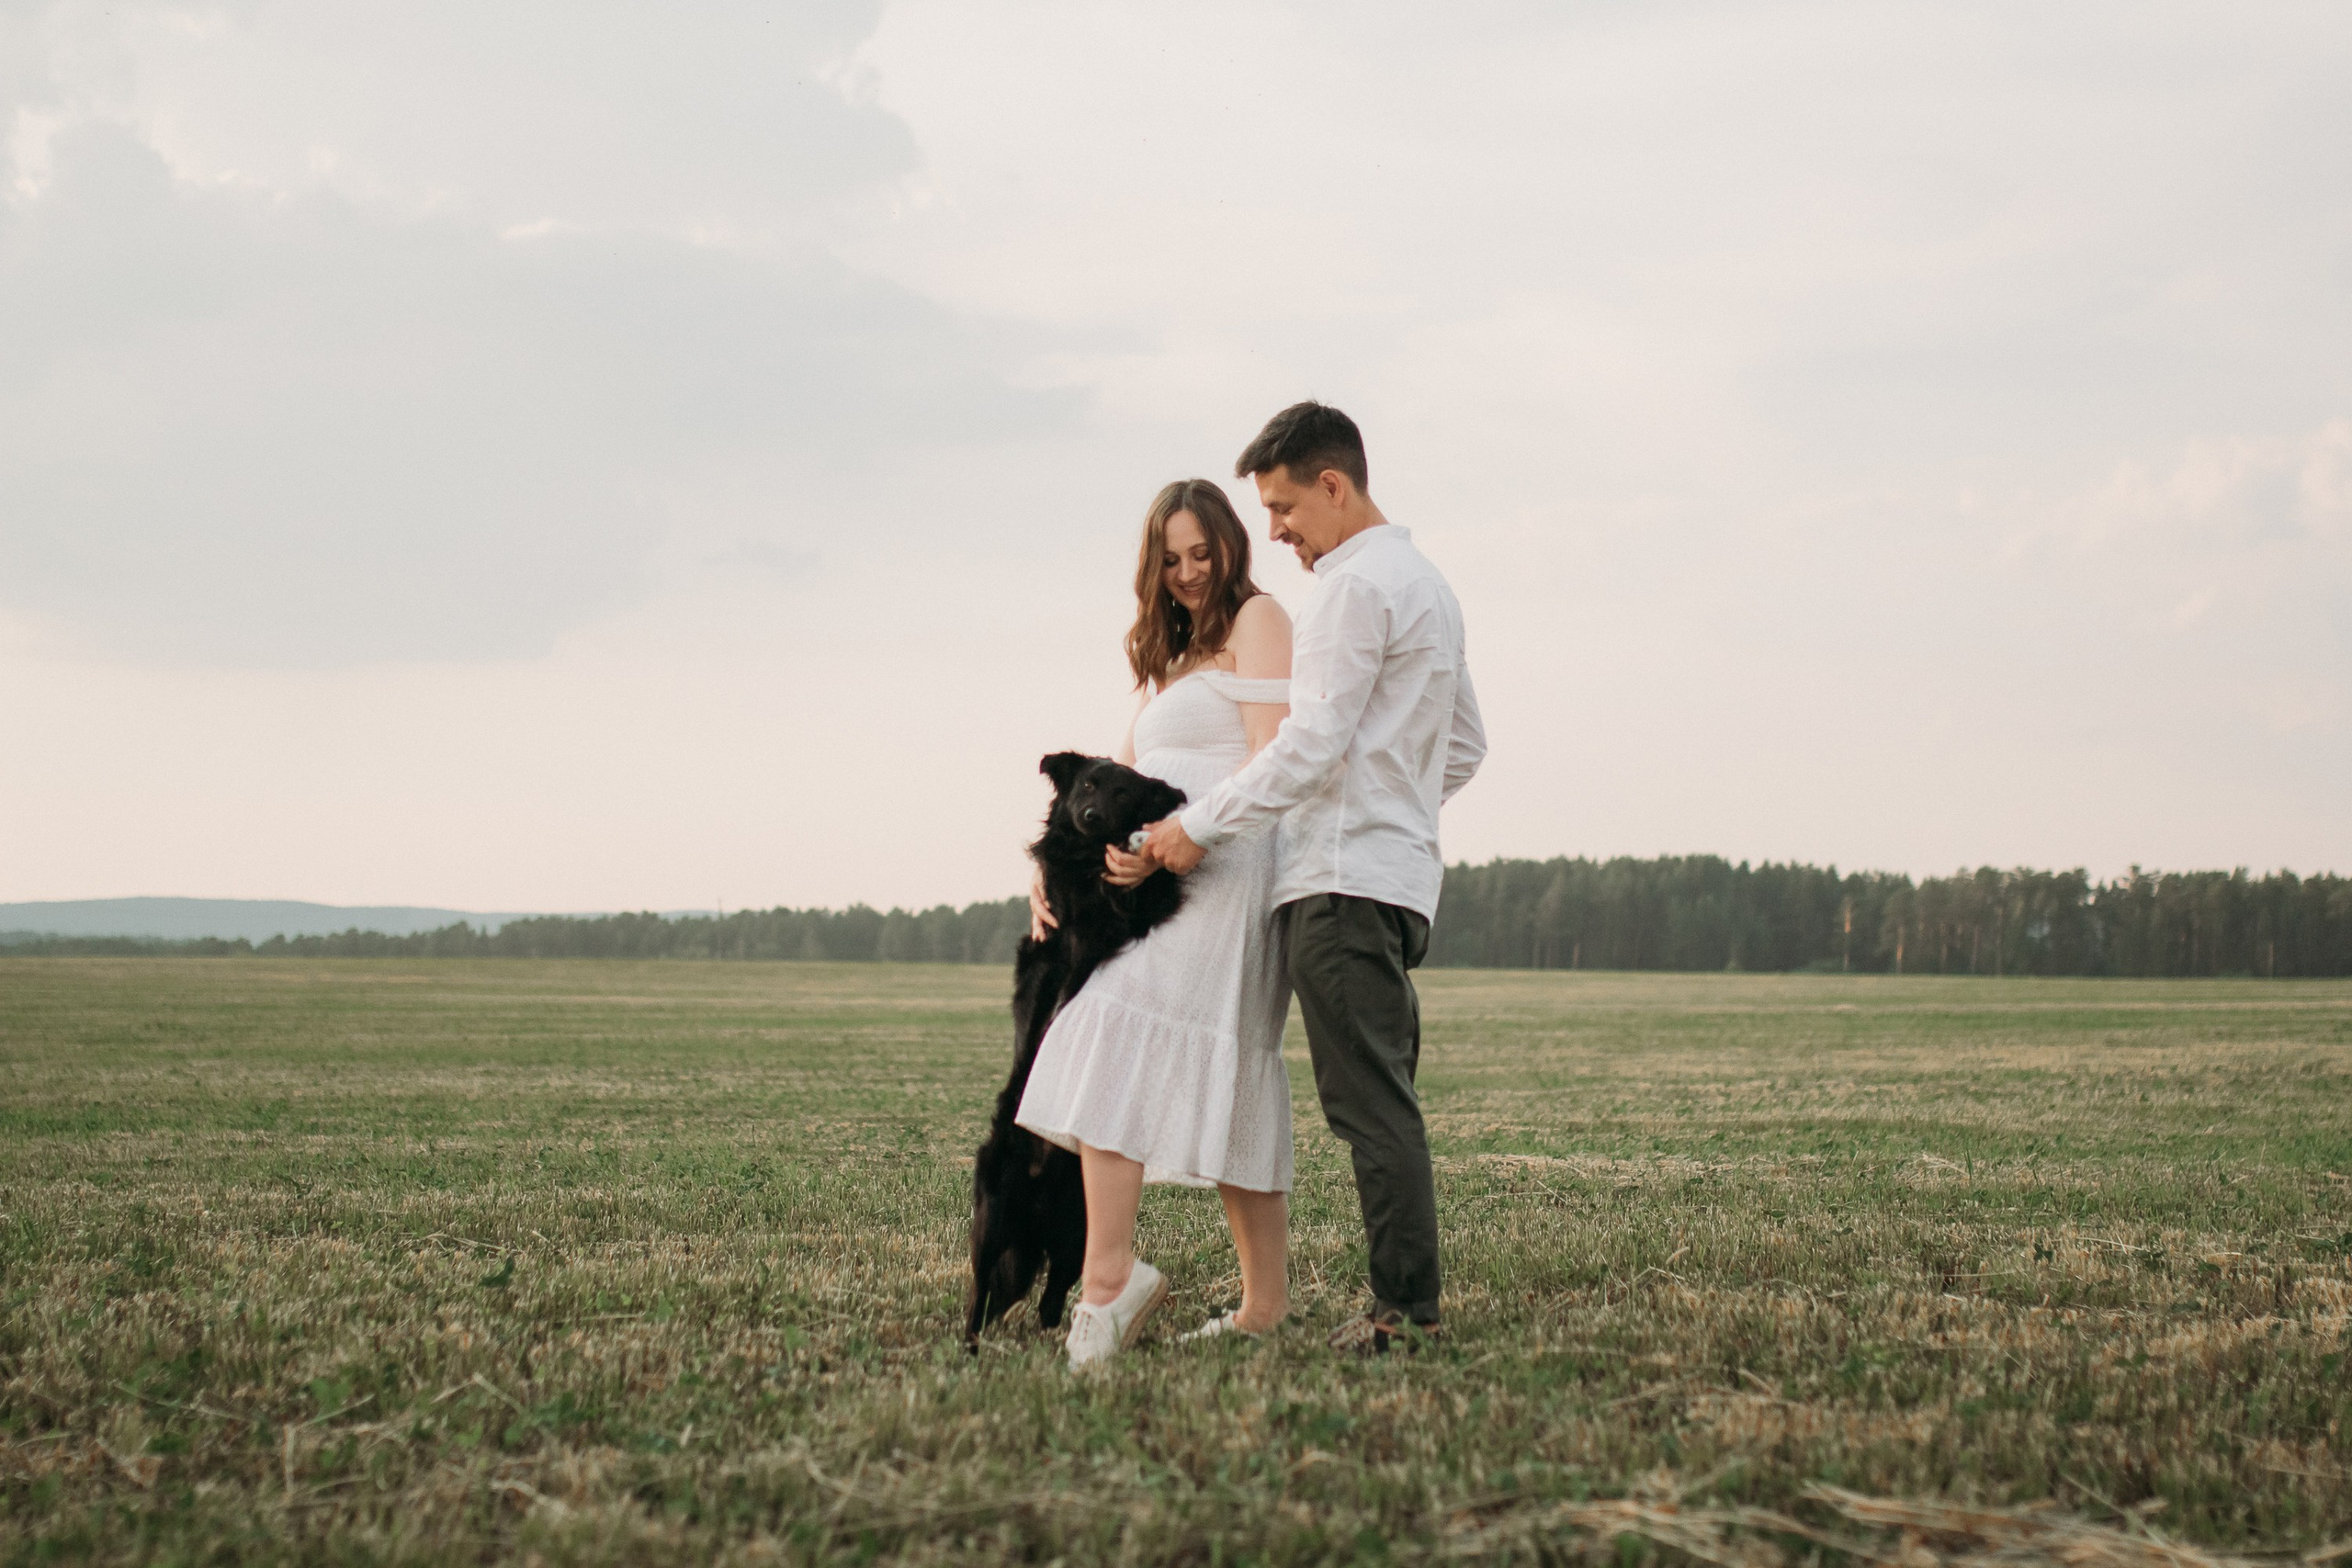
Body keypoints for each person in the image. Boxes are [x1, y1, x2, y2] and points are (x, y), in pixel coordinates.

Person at [1138, 401, 1485, 1356]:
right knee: (1384, 1097)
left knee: (1369, 1108)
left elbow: (1310, 741)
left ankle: (1402, 1315)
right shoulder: (1428, 585)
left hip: (1336, 887)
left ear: (1334, 485)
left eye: (1284, 507)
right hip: (1399, 881)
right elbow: (1463, 747)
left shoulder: (1344, 588)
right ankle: (1402, 1303)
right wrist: (1395, 805)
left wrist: (1196, 827)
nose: (1277, 531)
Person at [1014, 478, 1298, 1370]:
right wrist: (1049, 870)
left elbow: (1275, 754)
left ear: (1227, 547)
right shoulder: (1173, 660)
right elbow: (1112, 777)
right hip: (1158, 878)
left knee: (1122, 1031)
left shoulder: (1258, 617)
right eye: (1169, 559)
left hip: (1227, 869)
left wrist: (1188, 837)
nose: (1186, 573)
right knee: (1186, 1052)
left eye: (1200, 554)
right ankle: (1254, 1303)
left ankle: (1112, 1286)